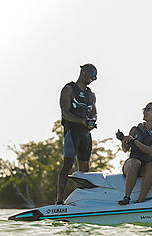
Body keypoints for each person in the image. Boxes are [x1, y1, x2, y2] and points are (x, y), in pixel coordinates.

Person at [56, 63, 97, 204]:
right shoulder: (69, 89)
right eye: (92, 75)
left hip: (86, 134)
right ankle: (59, 200)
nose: (94, 78)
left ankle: (84, 200)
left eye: (96, 77)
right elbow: (65, 113)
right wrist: (82, 122)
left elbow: (94, 113)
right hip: (72, 133)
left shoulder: (91, 95)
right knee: (67, 164)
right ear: (84, 72)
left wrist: (92, 122)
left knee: (85, 167)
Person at [118, 102, 152, 205]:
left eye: (148, 109)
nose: (144, 112)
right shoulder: (135, 129)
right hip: (131, 165)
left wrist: (134, 141)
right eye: (144, 109)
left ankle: (140, 201)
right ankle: (127, 197)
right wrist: (123, 140)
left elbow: (151, 151)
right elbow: (125, 149)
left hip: (146, 166)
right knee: (135, 162)